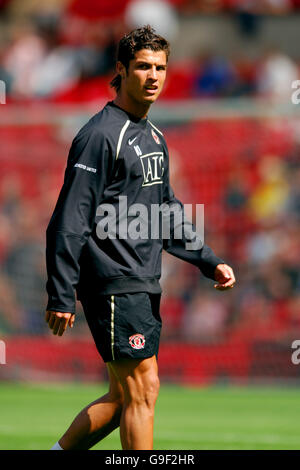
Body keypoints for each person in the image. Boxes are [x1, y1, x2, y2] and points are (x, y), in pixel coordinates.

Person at [45, 25, 236, 451]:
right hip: (114, 280)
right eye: (144, 67)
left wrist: (208, 260)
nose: (154, 76)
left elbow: (165, 212)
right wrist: (60, 293)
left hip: (143, 279)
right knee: (144, 389)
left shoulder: (154, 136)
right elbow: (68, 218)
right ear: (121, 70)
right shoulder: (99, 135)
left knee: (122, 398)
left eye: (161, 68)